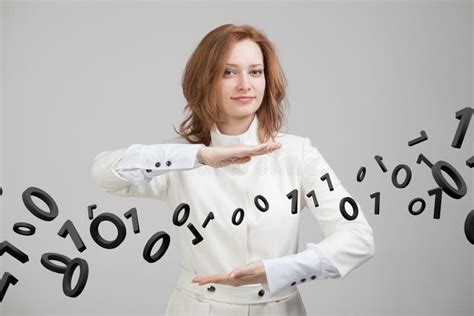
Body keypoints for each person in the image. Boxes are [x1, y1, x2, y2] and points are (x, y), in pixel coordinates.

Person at [91, 24, 375, 316]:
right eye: (229, 72)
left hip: (279, 309)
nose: (245, 84)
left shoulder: (297, 154)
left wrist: (278, 270)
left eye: (255, 72)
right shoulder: (179, 157)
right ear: (204, 80)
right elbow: (104, 174)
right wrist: (199, 154)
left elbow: (359, 237)